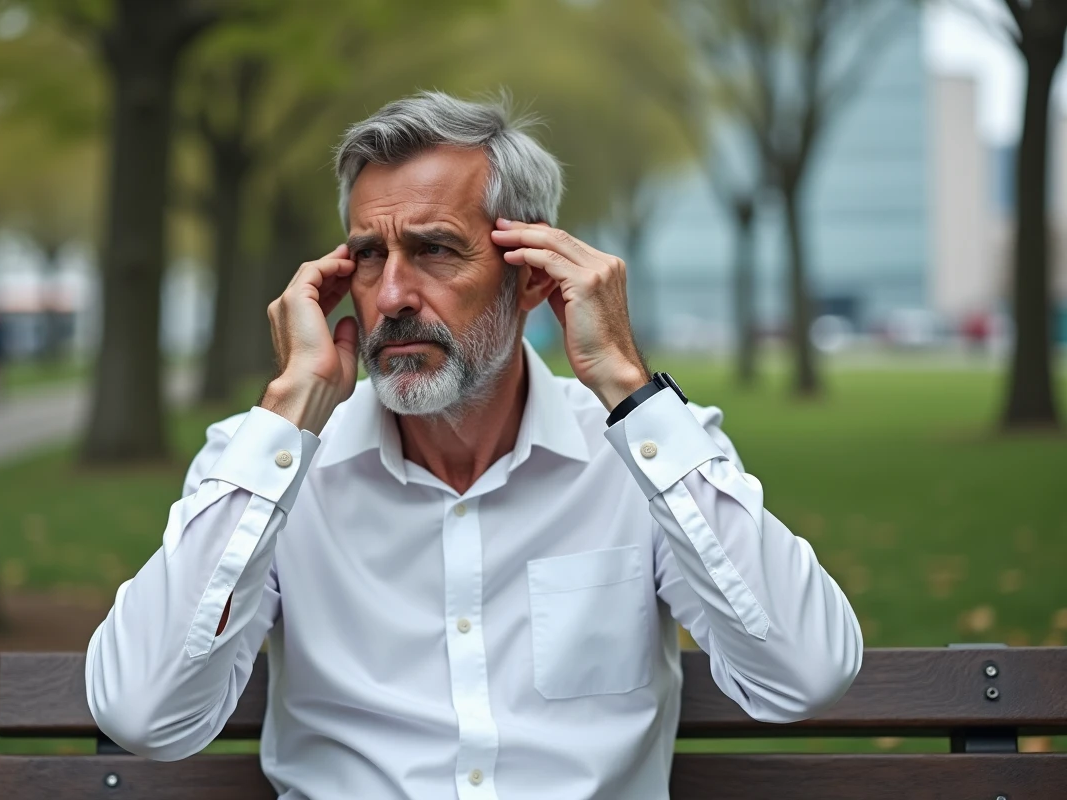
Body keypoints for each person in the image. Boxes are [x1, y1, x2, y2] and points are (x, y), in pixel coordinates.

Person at [85, 91, 862, 799]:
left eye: (434, 250)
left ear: (530, 277)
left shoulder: (648, 461)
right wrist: (289, 410)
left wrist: (628, 388)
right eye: (367, 256)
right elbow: (143, 714)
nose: (390, 296)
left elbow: (805, 675)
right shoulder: (269, 472)